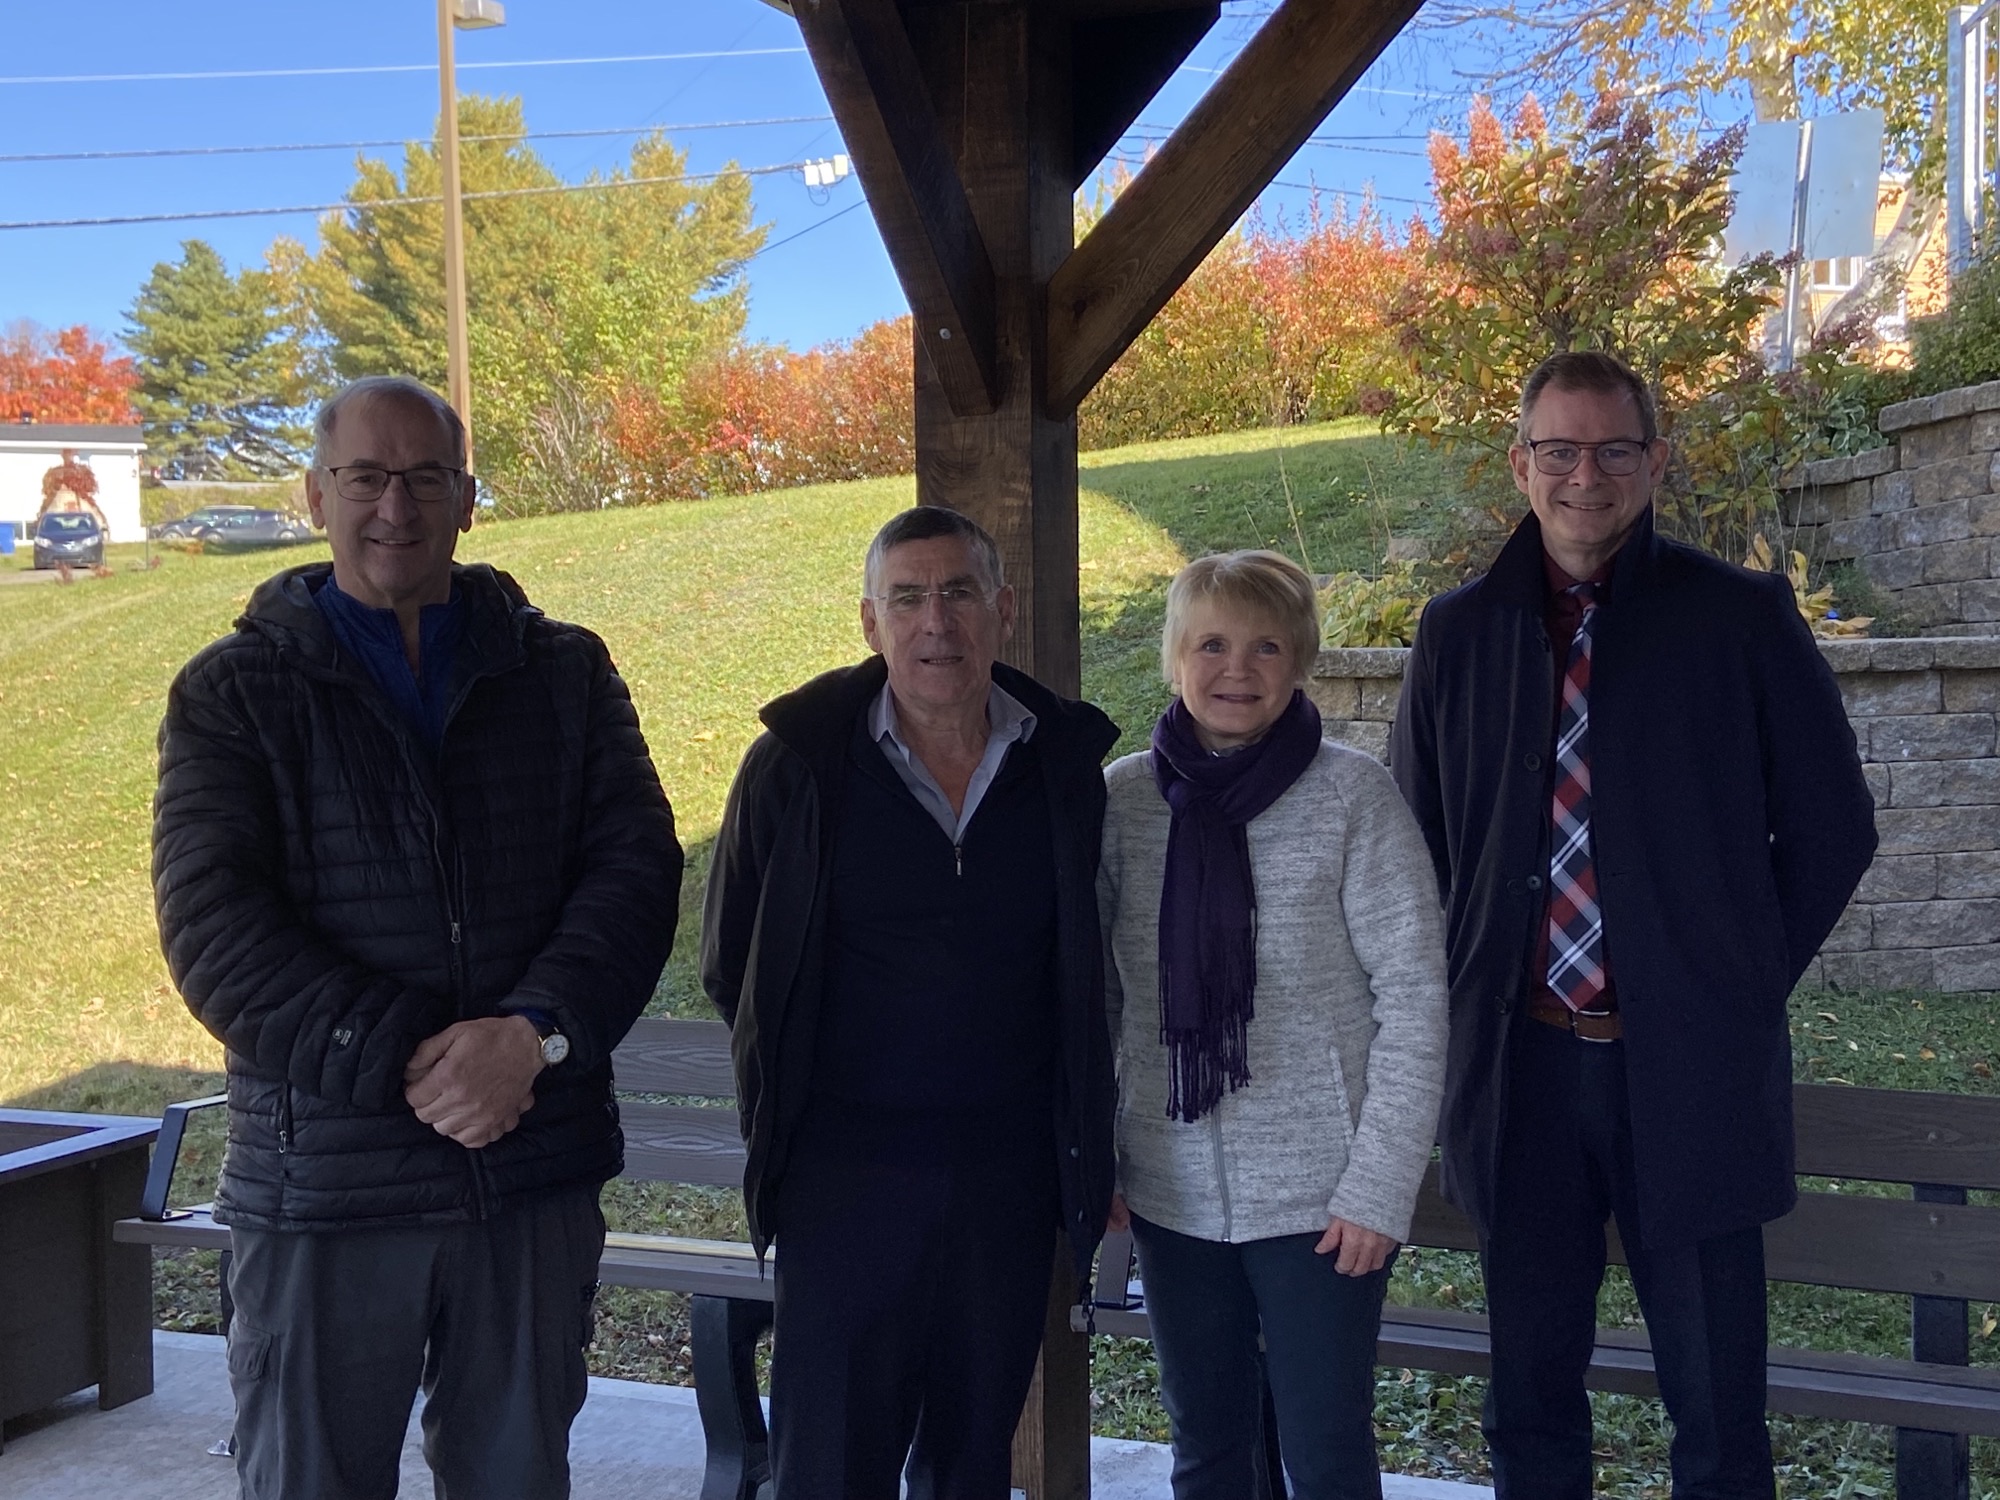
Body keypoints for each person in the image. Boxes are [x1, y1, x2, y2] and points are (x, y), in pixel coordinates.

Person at [152, 375, 684, 1500]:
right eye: (366, 477)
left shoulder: (565, 672)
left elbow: (633, 873)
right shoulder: (232, 693)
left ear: (467, 498)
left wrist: (529, 1039)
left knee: (514, 1478)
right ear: (316, 495)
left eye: (426, 477)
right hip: (325, 1188)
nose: (396, 504)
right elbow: (214, 928)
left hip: (527, 1171)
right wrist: (422, 1062)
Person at [1390, 350, 1877, 1499]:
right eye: (1557, 450)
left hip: (1690, 1074)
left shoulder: (1737, 617)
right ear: (1519, 465)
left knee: (1715, 1417)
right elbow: (1420, 848)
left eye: (1612, 449)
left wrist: (1731, 979)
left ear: (1652, 463)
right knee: (1529, 1409)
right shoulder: (1454, 634)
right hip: (1517, 1078)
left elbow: (1831, 828)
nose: (1583, 476)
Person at [701, 504, 1120, 1499]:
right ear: (869, 622)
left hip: (1005, 1182)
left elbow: (1087, 965)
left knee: (972, 1460)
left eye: (960, 593)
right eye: (908, 598)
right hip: (843, 1177)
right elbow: (734, 963)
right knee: (831, 1463)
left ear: (1002, 610)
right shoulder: (799, 768)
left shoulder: (1060, 764)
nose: (937, 623)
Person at [1097, 550, 1448, 1499]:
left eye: (1266, 647)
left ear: (1300, 662)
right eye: (1211, 644)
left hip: (1323, 1205)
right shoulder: (1125, 801)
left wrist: (1378, 1187)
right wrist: (1103, 1157)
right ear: (1176, 657)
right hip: (1169, 1192)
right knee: (1207, 1449)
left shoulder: (1352, 799)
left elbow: (1415, 997)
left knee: (1325, 1453)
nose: (1236, 670)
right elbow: (1101, 999)